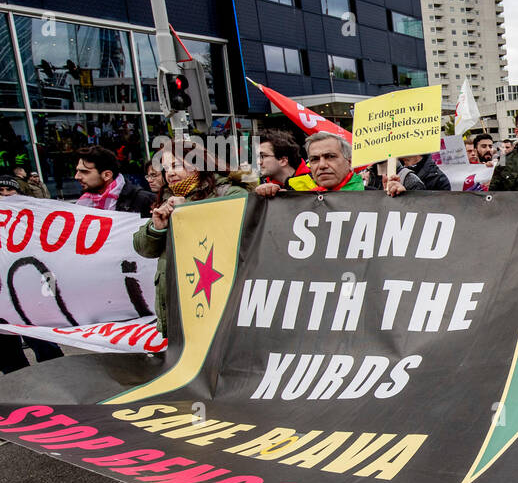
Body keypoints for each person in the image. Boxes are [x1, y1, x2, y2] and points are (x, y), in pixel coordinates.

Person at [132, 146, 244, 339]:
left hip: (216, 299)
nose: (170, 173)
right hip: (179, 303)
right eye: (166, 169)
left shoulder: (230, 193)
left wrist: (189, 214)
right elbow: (143, 248)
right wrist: (156, 228)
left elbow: (238, 238)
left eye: (176, 165)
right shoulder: (167, 198)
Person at [255, 132, 364, 196]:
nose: (322, 165)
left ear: (349, 162)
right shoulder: (295, 198)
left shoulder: (375, 198)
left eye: (330, 157)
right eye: (314, 159)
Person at [73, 146, 153, 216]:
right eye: (77, 171)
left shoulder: (144, 201)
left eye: (84, 172)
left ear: (107, 175)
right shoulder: (84, 202)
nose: (77, 177)